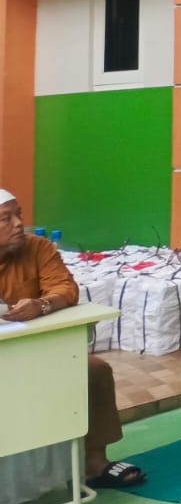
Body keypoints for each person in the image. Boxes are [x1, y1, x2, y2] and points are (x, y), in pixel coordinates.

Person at [0, 188, 145, 488]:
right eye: (6, 218)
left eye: (19, 215)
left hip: (34, 351)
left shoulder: (38, 248)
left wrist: (41, 305)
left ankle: (94, 463)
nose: (18, 224)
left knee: (94, 370)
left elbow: (65, 289)